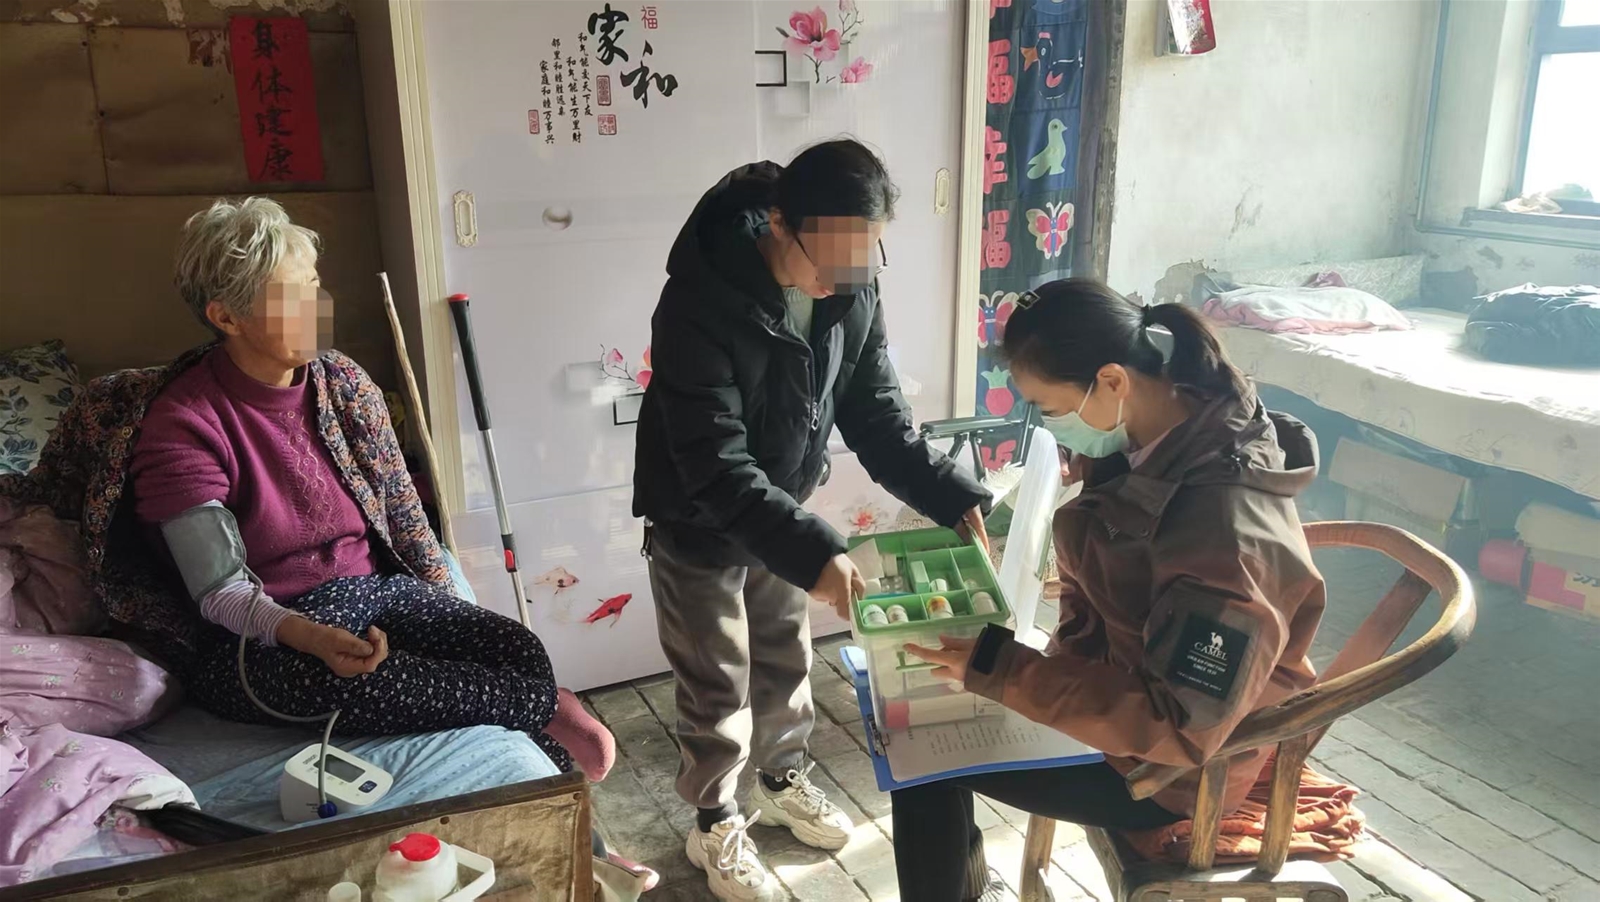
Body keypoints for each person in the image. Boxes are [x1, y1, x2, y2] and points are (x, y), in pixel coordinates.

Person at [126, 198, 614, 779]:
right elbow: (219, 591)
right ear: (227, 317)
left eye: (314, 285)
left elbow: (403, 511)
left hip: (371, 588)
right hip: (263, 631)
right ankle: (547, 714)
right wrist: (308, 636)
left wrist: (444, 602)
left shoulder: (343, 382)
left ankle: (557, 781)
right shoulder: (183, 425)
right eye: (291, 296)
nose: (317, 307)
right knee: (370, 683)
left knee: (515, 647)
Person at [633, 139, 991, 900]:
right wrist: (814, 549)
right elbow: (714, 464)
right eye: (828, 258)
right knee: (715, 680)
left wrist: (957, 498)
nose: (841, 278)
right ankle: (715, 819)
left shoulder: (850, 288)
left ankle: (783, 777)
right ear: (778, 224)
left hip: (781, 507)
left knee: (784, 656)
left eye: (863, 258)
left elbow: (879, 419)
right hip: (698, 515)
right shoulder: (697, 301)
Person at [893, 279, 1326, 901]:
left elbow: (1179, 723)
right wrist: (1021, 671)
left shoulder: (1226, 532)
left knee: (921, 763)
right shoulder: (1156, 437)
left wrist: (1007, 672)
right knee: (927, 717)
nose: (1050, 427)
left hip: (1170, 770)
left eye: (1049, 408)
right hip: (1119, 697)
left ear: (1112, 381)